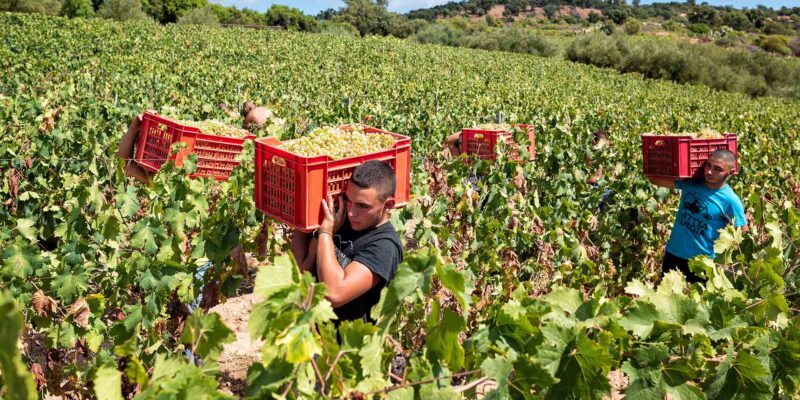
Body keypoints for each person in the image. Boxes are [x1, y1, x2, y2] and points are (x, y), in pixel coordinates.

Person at [290, 161, 403, 323]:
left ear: (389, 205)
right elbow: (302, 268)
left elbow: (334, 293)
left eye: (363, 206)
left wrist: (325, 233)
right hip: (312, 336)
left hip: (344, 346)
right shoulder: (341, 221)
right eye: (348, 200)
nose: (351, 212)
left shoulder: (384, 246)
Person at [648, 149, 747, 283]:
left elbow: (743, 234)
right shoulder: (692, 184)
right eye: (707, 165)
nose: (709, 172)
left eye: (717, 169)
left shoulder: (730, 201)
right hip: (673, 254)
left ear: (730, 173)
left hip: (702, 264)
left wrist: (727, 263)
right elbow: (653, 179)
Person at [116, 102, 274, 182]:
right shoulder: (197, 169)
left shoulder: (270, 183)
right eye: (255, 131)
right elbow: (125, 166)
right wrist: (134, 130)